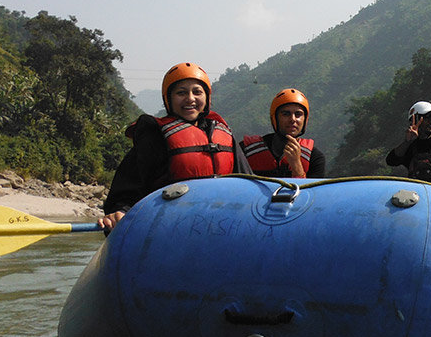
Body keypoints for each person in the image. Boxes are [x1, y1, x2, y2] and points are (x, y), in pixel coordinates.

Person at [100, 62, 251, 231]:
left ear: (207, 97)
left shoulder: (224, 135)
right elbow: (126, 191)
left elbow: (250, 184)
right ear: (168, 99)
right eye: (181, 93)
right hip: (170, 228)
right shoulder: (154, 135)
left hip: (220, 227)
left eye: (197, 92)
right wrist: (120, 211)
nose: (190, 99)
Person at [241, 88, 326, 178]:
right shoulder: (246, 151)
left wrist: (297, 166)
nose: (293, 119)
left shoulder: (315, 158)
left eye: (298, 114)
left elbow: (312, 191)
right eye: (286, 114)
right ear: (275, 118)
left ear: (305, 119)